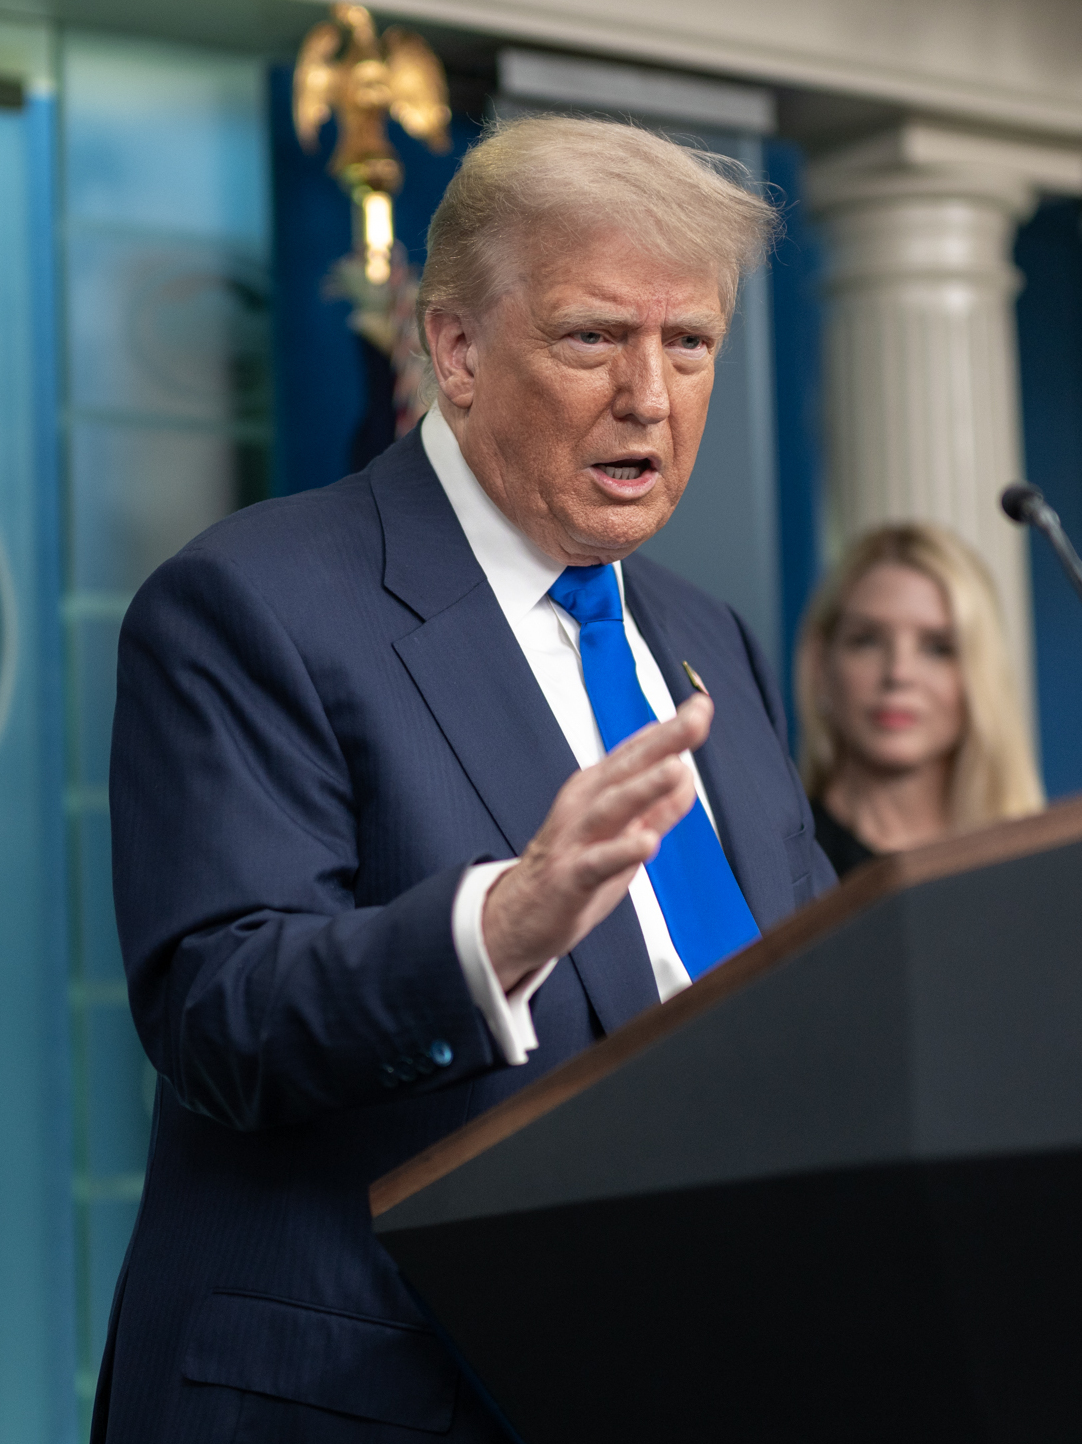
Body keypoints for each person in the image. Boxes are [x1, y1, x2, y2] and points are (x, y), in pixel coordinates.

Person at [94, 116, 835, 1444]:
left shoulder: (703, 635)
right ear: (455, 351)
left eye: (690, 344)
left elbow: (789, 998)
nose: (650, 397)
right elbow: (218, 1014)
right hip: (387, 1400)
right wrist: (495, 929)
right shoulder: (250, 605)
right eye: (594, 337)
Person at [795, 522, 1044, 877]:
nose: (898, 674)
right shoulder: (779, 864)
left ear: (980, 674)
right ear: (821, 665)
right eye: (866, 640)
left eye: (938, 648)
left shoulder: (1034, 868)